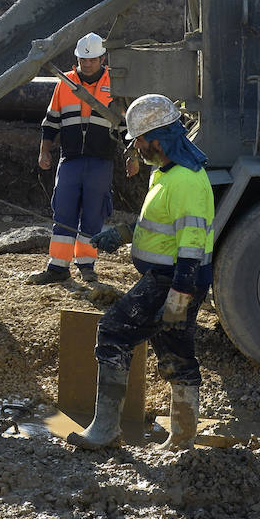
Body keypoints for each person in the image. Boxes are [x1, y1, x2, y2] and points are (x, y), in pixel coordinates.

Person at [68, 93, 214, 451]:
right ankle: (182, 439)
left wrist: (179, 297)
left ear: (159, 139)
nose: (137, 148)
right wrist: (121, 233)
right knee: (175, 352)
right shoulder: (166, 174)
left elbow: (192, 246)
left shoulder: (187, 183)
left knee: (114, 332)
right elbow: (156, 223)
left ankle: (105, 431)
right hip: (169, 279)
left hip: (172, 281)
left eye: (140, 141)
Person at [28, 32, 136, 285]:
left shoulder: (116, 84)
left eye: (92, 60)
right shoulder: (64, 83)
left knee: (93, 214)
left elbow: (127, 128)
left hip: (101, 161)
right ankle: (57, 268)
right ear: (76, 59)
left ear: (102, 59)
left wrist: (132, 157)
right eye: (82, 60)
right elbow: (51, 122)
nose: (86, 64)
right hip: (71, 159)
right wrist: (44, 151)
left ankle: (86, 265)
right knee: (63, 210)